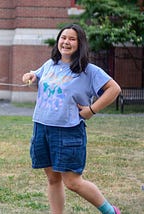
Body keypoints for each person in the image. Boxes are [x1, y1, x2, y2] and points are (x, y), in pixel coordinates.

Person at [22, 24, 121, 214]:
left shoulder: (88, 70)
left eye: (72, 39)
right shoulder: (50, 64)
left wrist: (91, 110)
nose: (66, 42)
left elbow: (114, 89)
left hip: (68, 131)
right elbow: (36, 76)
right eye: (63, 37)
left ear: (80, 43)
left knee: (73, 182)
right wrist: (31, 75)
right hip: (42, 128)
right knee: (53, 179)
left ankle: (110, 211)